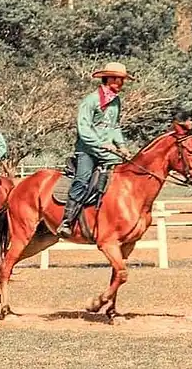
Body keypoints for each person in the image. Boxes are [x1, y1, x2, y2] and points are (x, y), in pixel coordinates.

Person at [56, 62, 134, 238]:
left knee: (122, 178)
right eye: (118, 79)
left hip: (109, 152)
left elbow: (115, 126)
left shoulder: (116, 101)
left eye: (122, 79)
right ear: (107, 79)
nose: (121, 82)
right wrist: (101, 143)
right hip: (88, 151)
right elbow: (83, 128)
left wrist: (121, 145)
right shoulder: (90, 101)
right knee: (82, 180)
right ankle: (67, 220)